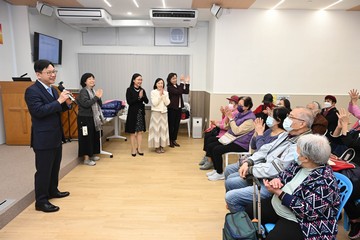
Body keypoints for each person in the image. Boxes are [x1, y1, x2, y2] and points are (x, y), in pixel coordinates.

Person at [246, 134, 340, 240]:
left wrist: (279, 193)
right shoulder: (299, 164)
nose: (295, 153)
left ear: (306, 158)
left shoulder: (325, 182)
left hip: (300, 220)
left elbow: (308, 211)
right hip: (278, 205)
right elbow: (284, 174)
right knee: (250, 210)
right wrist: (277, 180)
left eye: (298, 151)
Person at [225, 107, 313, 213]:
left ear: (302, 124)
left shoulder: (303, 143)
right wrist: (249, 162)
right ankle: (241, 215)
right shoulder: (287, 134)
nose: (287, 119)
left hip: (274, 184)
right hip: (264, 174)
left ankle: (246, 226)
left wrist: (250, 169)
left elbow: (277, 168)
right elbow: (265, 150)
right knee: (230, 181)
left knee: (231, 196)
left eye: (291, 117)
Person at [24, 59, 71, 212]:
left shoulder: (52, 89)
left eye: (54, 72)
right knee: (43, 170)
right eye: (49, 72)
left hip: (56, 135)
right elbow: (38, 111)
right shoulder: (32, 91)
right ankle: (41, 201)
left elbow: (57, 109)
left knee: (55, 166)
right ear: (38, 74)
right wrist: (59, 101)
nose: (52, 75)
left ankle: (53, 190)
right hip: (43, 138)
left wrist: (66, 104)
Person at [205, 96, 256, 181]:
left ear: (247, 107)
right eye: (238, 104)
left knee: (217, 149)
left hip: (241, 144)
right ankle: (216, 169)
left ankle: (220, 173)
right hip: (232, 139)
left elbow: (236, 131)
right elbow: (227, 127)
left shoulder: (250, 120)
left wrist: (231, 118)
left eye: (241, 105)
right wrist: (227, 116)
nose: (239, 106)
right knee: (210, 145)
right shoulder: (240, 114)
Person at [332, 102, 360, 239]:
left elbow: (351, 143)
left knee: (342, 190)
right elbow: (336, 142)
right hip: (351, 169)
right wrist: (339, 127)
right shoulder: (357, 131)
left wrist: (344, 126)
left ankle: (355, 219)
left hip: (356, 174)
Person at [199, 95, 240, 170]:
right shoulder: (231, 111)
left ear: (237, 104)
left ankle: (210, 160)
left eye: (231, 102)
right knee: (208, 135)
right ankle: (207, 157)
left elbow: (226, 126)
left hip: (225, 134)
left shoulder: (235, 113)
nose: (229, 104)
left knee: (210, 139)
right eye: (229, 102)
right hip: (222, 132)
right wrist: (223, 114)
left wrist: (217, 124)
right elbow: (224, 121)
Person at [76, 73, 104, 166]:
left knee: (93, 137)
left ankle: (91, 155)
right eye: (89, 79)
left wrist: (99, 97)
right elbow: (86, 104)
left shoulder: (92, 91)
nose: (92, 80)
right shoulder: (83, 91)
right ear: (84, 81)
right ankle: (86, 159)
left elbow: (100, 104)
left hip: (93, 118)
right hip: (84, 118)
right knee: (86, 138)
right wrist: (96, 97)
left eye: (93, 78)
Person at [125, 73, 149, 156]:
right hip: (132, 113)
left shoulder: (142, 90)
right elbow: (129, 102)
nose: (140, 81)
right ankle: (133, 149)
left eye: (141, 80)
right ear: (134, 80)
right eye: (138, 79)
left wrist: (142, 96)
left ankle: (139, 148)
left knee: (140, 132)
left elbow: (146, 101)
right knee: (132, 132)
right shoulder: (129, 90)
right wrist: (138, 97)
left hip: (140, 113)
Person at [167, 73, 190, 148]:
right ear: (169, 79)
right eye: (173, 78)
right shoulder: (169, 87)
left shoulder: (177, 86)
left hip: (179, 108)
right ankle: (170, 140)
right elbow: (178, 92)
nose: (175, 80)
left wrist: (186, 83)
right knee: (171, 125)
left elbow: (186, 91)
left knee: (177, 125)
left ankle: (174, 140)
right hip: (172, 109)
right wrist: (182, 82)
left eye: (175, 78)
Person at [148, 78, 170, 153]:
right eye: (159, 83)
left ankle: (162, 146)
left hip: (164, 113)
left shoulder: (166, 92)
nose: (160, 85)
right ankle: (156, 147)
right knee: (156, 130)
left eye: (161, 83)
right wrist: (160, 96)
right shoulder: (153, 92)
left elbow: (167, 103)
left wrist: (163, 96)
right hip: (156, 113)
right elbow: (154, 103)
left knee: (163, 130)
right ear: (156, 84)